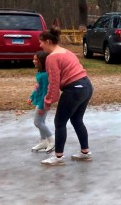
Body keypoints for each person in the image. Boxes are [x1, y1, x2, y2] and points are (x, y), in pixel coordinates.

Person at [39, 27, 94, 165]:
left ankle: (58, 157)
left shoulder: (52, 57)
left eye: (41, 42)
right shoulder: (66, 52)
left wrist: (47, 102)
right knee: (76, 119)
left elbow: (54, 82)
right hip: (86, 86)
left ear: (48, 41)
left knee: (59, 122)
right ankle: (85, 152)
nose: (40, 45)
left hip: (74, 89)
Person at [28, 51, 55, 153]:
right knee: (41, 122)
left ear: (42, 62)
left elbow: (45, 91)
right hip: (40, 101)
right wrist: (32, 96)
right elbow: (38, 87)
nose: (33, 61)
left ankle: (52, 140)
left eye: (36, 59)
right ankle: (44, 141)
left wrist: (42, 105)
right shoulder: (40, 73)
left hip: (43, 102)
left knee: (37, 122)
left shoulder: (45, 75)